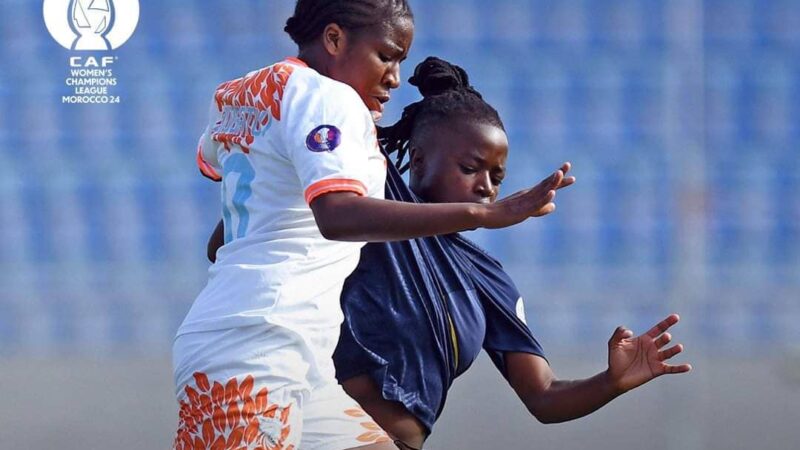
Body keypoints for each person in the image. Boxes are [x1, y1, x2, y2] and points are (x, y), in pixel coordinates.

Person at [175, 2, 574, 449]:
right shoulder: (331, 97)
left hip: (301, 358)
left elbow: (227, 227)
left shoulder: (238, 94)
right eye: (386, 56)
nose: (395, 77)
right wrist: (483, 215)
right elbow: (337, 215)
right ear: (334, 39)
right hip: (252, 347)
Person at [329, 57, 693, 449]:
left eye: (497, 177)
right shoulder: (370, 202)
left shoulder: (485, 275)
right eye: (471, 168)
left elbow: (543, 396)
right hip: (323, 433)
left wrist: (611, 381)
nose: (486, 187)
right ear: (418, 160)